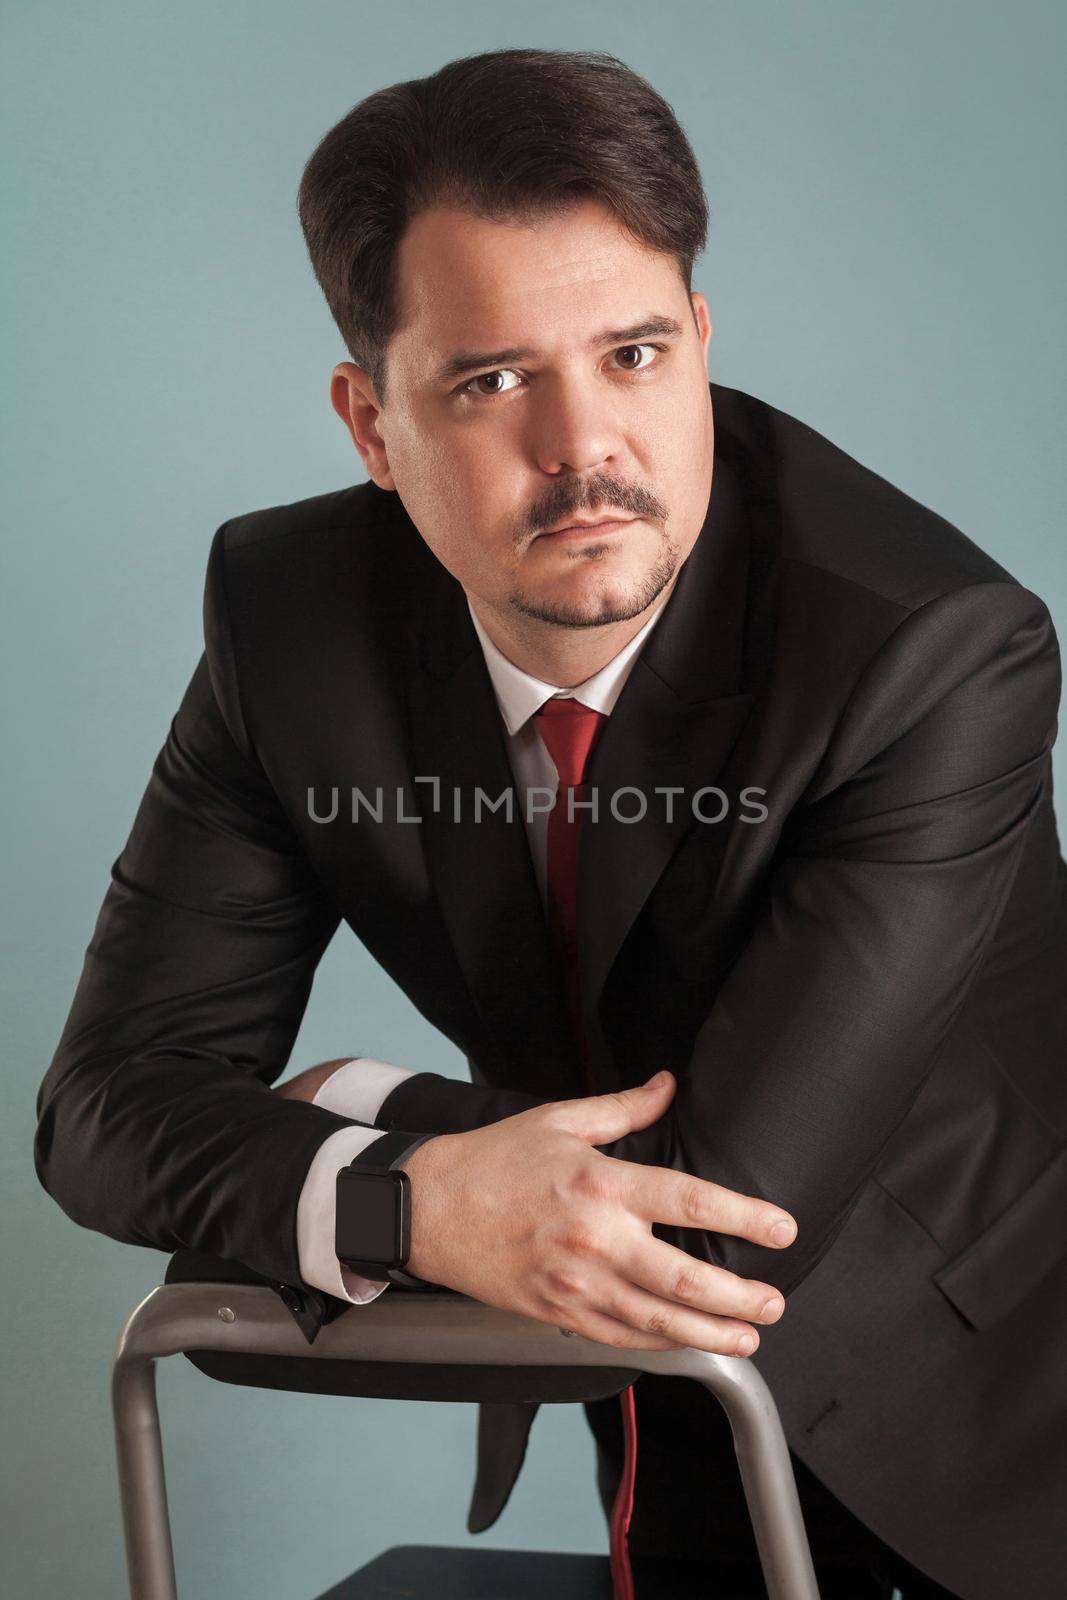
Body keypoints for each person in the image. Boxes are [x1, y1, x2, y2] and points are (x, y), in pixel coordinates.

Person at [35, 47, 1065, 1600]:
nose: (587, 447)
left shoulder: (929, 650)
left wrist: (353, 1105)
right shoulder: (288, 623)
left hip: (992, 1419)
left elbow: (712, 1231)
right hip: (659, 1421)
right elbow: (101, 1109)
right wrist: (411, 1197)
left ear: (702, 342)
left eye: (637, 354)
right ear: (371, 427)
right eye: (491, 379)